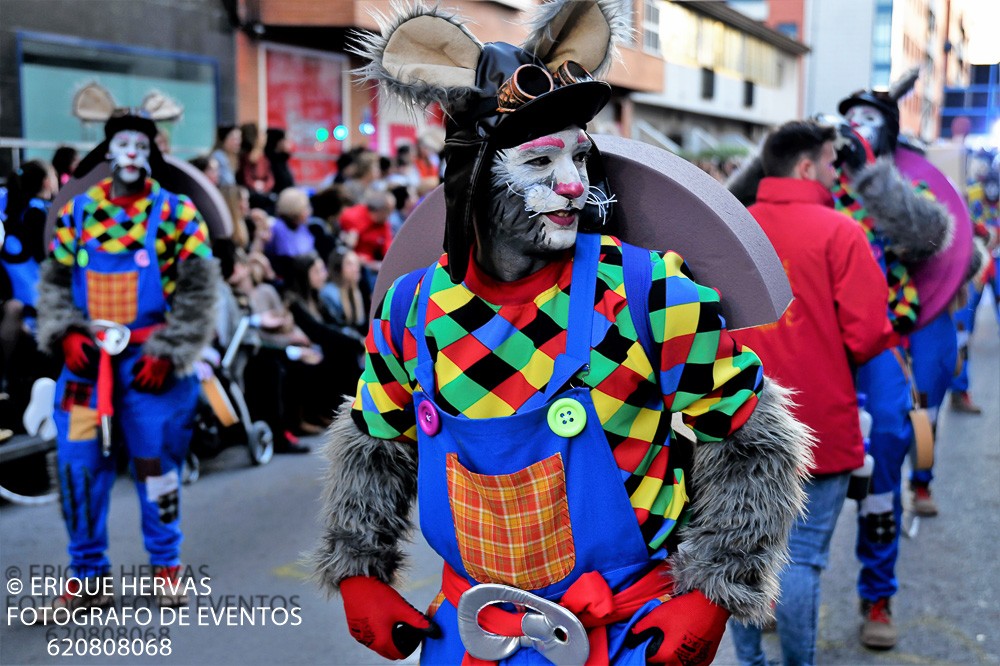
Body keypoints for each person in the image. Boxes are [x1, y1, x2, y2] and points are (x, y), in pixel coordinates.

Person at [310, 2, 811, 663]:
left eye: (580, 157)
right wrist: (357, 569)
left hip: (626, 633)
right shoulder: (409, 311)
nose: (575, 186)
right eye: (542, 163)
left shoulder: (649, 292)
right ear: (473, 172)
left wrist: (719, 588)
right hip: (474, 635)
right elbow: (376, 442)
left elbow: (752, 441)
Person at [725, 120, 894, 666]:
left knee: (743, 556)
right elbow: (867, 335)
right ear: (805, 167)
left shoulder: (735, 227)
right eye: (828, 162)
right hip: (816, 422)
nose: (833, 173)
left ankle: (750, 662)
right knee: (802, 563)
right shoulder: (841, 232)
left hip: (736, 415)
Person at [36, 110, 218, 611]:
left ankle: (166, 566)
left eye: (141, 144)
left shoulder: (178, 213)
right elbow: (52, 283)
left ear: (152, 152)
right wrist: (66, 333)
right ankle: (86, 575)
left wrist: (171, 350)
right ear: (108, 153)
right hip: (85, 367)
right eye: (123, 144)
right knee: (78, 467)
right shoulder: (77, 212)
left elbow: (201, 292)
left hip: (151, 368)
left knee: (157, 464)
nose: (132, 153)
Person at [835, 78, 955, 650]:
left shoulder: (907, 182)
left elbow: (932, 238)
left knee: (901, 430)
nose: (859, 122)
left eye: (869, 115)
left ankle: (878, 590)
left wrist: (872, 180)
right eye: (851, 114)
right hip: (819, 342)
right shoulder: (818, 174)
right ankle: (778, 583)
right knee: (779, 457)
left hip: (890, 340)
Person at [337, 187, 394, 288]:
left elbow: (388, 249)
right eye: (388, 212)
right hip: (356, 264)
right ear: (379, 211)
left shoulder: (384, 224)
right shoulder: (351, 217)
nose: (390, 216)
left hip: (374, 264)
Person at [265, 187, 316, 279]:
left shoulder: (302, 227)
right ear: (295, 209)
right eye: (306, 207)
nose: (309, 211)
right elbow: (287, 255)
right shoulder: (277, 228)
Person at [264, 127, 295, 195]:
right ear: (278, 142)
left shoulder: (283, 159)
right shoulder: (269, 162)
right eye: (286, 140)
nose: (289, 143)